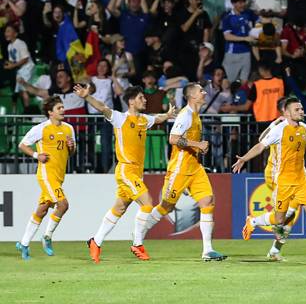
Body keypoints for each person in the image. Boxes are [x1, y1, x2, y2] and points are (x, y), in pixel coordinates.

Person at [79, 85, 176, 263]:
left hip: (136, 173)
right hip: (126, 169)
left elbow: (157, 118)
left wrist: (168, 115)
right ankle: (138, 243)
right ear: (131, 101)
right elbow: (102, 108)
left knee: (119, 208)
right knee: (147, 202)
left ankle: (95, 241)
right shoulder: (120, 118)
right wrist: (87, 97)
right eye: (141, 98)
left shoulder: (144, 120)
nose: (144, 100)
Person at [234, 97, 306, 264]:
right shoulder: (279, 129)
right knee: (280, 219)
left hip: (302, 179)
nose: (301, 111)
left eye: (301, 109)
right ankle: (254, 221)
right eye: (297, 109)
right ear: (286, 113)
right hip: (283, 181)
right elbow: (260, 145)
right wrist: (244, 158)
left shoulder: (303, 128)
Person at [142, 83, 226, 261]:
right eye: (201, 91)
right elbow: (173, 139)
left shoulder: (195, 115)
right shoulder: (186, 115)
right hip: (180, 169)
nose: (204, 93)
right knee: (166, 206)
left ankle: (208, 250)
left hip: (194, 167)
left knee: (207, 201)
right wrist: (198, 144)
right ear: (192, 96)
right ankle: (137, 237)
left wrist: (199, 148)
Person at [15, 97, 75, 260]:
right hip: (46, 175)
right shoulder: (41, 129)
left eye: (63, 107)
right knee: (63, 205)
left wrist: (72, 147)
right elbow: (22, 144)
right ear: (50, 112)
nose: (63, 110)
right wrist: (36, 155)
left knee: (41, 210)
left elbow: (71, 153)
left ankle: (24, 243)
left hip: (59, 175)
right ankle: (47, 237)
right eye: (59, 108)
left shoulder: (69, 129)